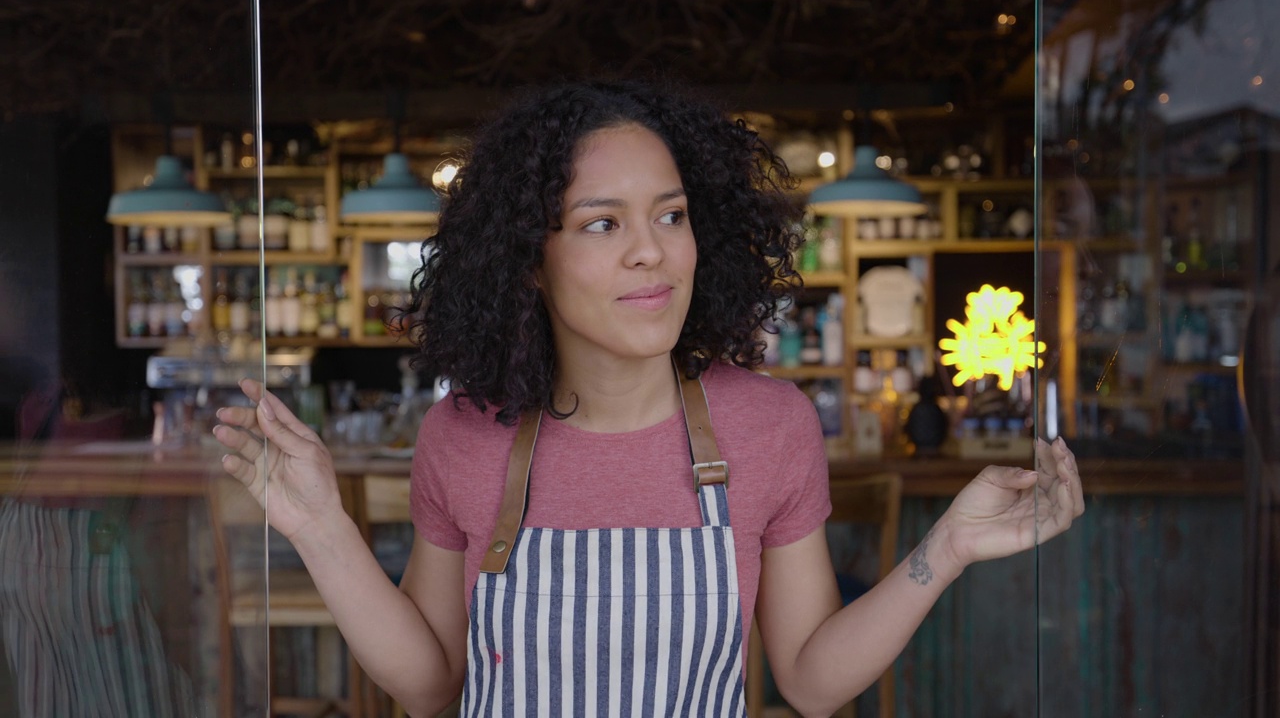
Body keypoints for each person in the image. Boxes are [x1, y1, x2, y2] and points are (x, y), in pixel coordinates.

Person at [213, 79, 1083, 717]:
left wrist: (949, 548)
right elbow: (432, 682)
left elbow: (813, 683)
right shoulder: (465, 434)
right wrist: (322, 529)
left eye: (671, 216)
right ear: (529, 258)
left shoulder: (769, 426)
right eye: (603, 223)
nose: (652, 253)